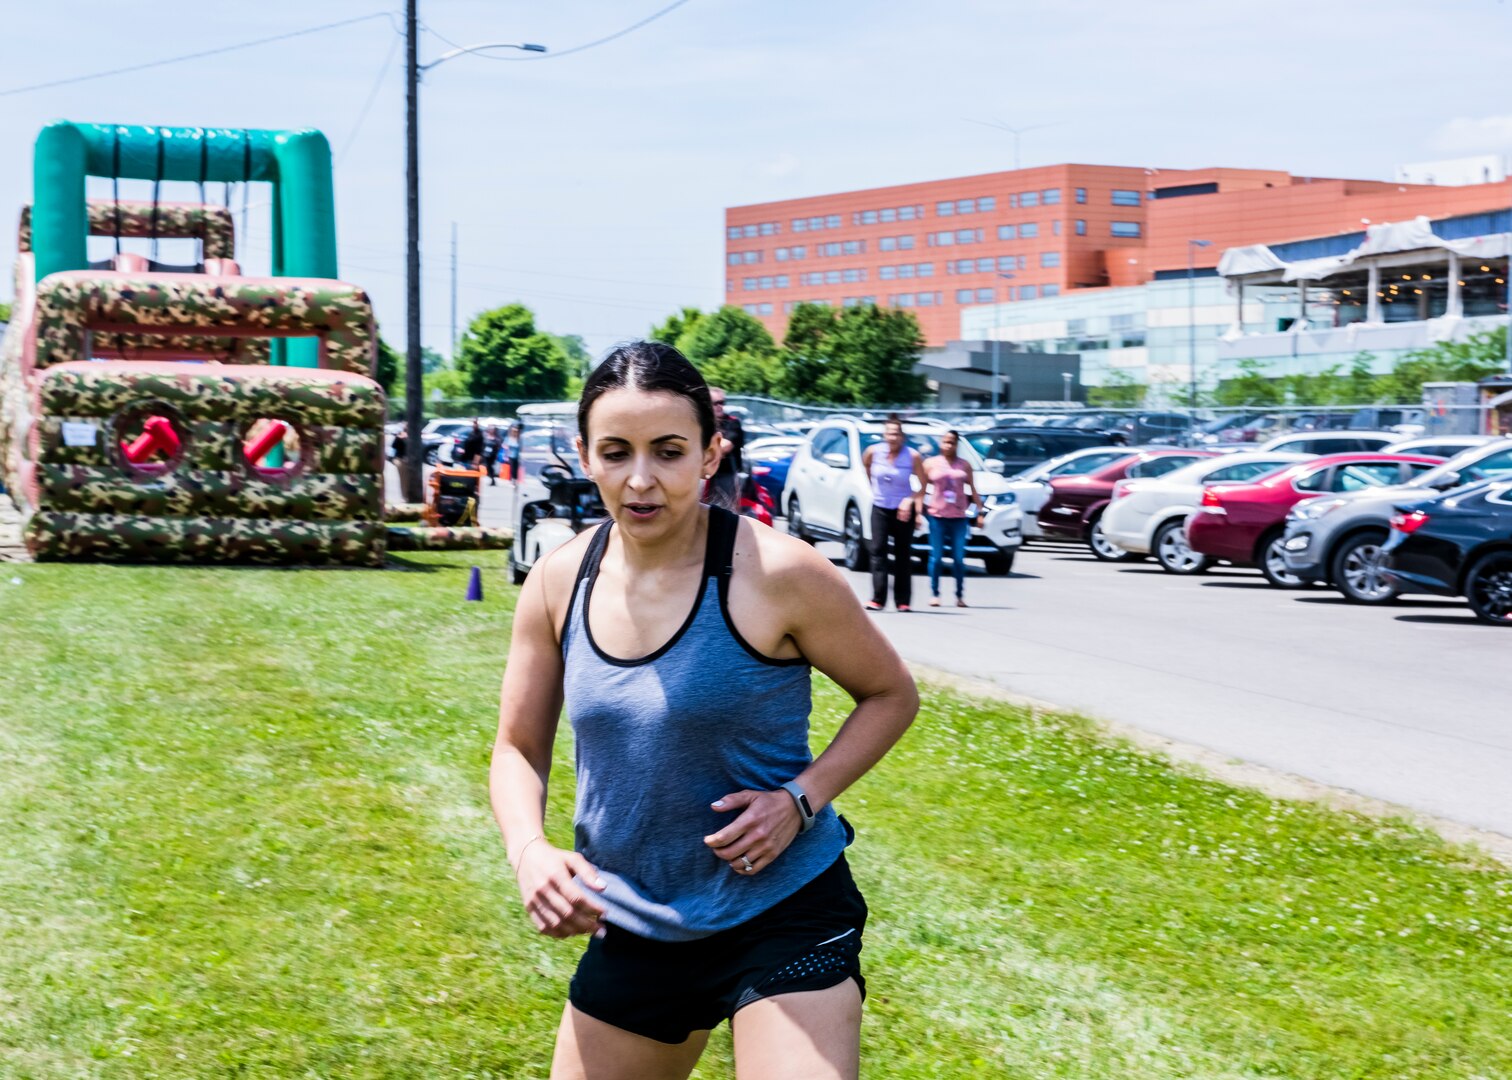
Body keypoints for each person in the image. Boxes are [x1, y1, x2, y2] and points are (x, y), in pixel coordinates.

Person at [490, 341, 917, 1079]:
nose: (642, 479)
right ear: (585, 456)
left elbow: (890, 695)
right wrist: (529, 850)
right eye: (617, 452)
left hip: (783, 911)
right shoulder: (560, 580)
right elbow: (517, 748)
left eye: (669, 451)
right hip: (635, 914)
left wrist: (800, 798)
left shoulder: (779, 572)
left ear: (709, 456)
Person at [859, 415, 927, 612]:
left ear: (902, 436)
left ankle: (902, 600)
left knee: (902, 555)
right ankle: (878, 598)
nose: (892, 437)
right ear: (884, 435)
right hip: (880, 507)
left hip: (903, 510)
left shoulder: (912, 456)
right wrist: (876, 491)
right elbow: (867, 470)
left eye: (896, 434)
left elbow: (923, 485)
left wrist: (910, 500)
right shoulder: (873, 452)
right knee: (877, 551)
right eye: (889, 433)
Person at [922, 430, 978, 608]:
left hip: (959, 517)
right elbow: (922, 488)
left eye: (952, 442)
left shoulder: (964, 465)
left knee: (959, 558)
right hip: (937, 516)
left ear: (956, 445)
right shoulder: (931, 463)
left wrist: (980, 512)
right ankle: (935, 593)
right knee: (936, 557)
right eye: (945, 442)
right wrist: (917, 510)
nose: (948, 445)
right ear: (940, 443)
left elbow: (973, 490)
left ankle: (960, 595)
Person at [705, 386, 745, 511]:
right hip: (704, 475)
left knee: (723, 513)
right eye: (715, 403)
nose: (719, 406)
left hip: (725, 476)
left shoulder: (732, 423)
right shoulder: (703, 423)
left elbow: (724, 446)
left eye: (722, 403)